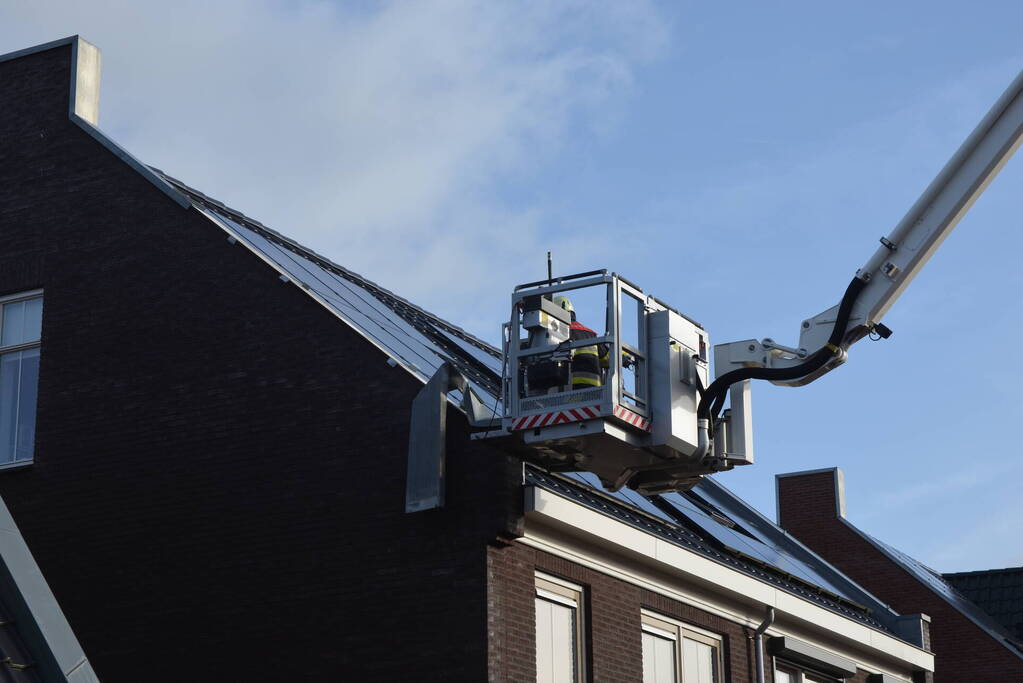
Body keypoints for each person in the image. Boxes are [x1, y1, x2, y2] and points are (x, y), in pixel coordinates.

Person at [553, 296, 609, 389]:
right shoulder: (590, 334)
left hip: (567, 391)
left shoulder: (556, 333)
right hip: (593, 391)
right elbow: (607, 359)